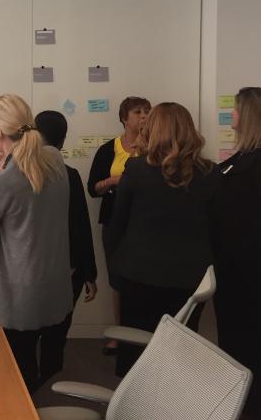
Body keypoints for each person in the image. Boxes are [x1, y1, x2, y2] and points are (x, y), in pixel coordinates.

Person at [106, 102, 216, 377]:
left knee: (136, 350)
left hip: (138, 275)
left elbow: (117, 226)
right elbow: (218, 229)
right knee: (180, 348)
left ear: (152, 130)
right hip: (190, 280)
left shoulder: (136, 170)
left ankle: (134, 407)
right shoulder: (210, 173)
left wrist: (115, 269)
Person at [0, 94, 72, 392]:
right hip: (54, 285)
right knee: (36, 363)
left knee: (15, 368)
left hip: (17, 296)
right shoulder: (55, 160)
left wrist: (3, 166)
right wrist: (5, 159)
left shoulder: (3, 181)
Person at [210, 87, 261, 420]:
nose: (232, 117)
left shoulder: (257, 169)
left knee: (244, 346)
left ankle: (245, 409)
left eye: (237, 110)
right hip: (255, 273)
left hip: (245, 276)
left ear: (252, 117)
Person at [34, 110, 98, 383]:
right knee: (56, 334)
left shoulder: (20, 172)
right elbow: (80, 226)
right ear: (63, 140)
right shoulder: (69, 175)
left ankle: (27, 389)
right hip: (67, 269)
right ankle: (50, 382)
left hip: (32, 269)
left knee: (25, 336)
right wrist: (89, 273)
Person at [86, 95, 150, 355]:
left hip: (146, 223)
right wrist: (113, 182)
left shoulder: (156, 148)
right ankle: (118, 332)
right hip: (115, 221)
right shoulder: (108, 149)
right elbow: (93, 188)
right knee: (117, 278)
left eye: (147, 112)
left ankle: (146, 334)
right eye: (138, 112)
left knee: (145, 279)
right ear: (124, 118)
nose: (144, 116)